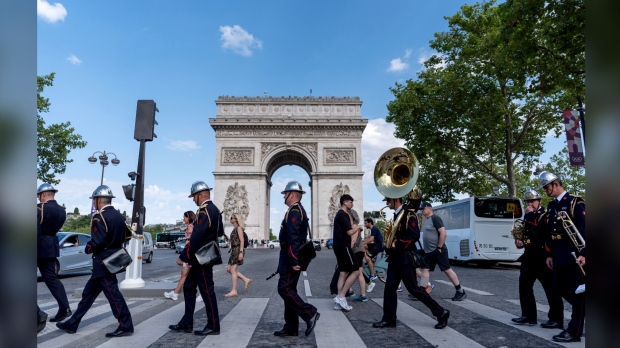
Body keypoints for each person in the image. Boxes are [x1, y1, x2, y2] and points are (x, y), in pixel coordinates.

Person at [56, 185, 134, 337]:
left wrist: (88, 247)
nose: (94, 203)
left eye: (94, 200)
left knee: (113, 295)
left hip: (103, 261)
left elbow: (97, 241)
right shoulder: (119, 216)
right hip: (112, 258)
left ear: (98, 200)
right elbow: (127, 236)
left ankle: (125, 325)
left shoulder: (100, 216)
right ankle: (72, 323)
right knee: (88, 294)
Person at [373, 194, 449, 330]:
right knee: (389, 289)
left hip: (405, 259)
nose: (388, 203)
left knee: (414, 290)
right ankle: (389, 319)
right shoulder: (398, 214)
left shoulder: (409, 214)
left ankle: (441, 312)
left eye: (389, 200)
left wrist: (397, 245)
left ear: (395, 199)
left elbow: (414, 235)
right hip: (395, 259)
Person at [169, 181, 224, 336]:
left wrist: (183, 256)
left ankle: (213, 325)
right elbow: (219, 231)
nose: (193, 199)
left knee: (207, 291)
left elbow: (197, 236)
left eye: (194, 196)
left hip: (201, 257)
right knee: (189, 286)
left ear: (200, 195)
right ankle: (187, 322)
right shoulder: (215, 210)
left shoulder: (204, 211)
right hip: (203, 256)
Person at [539, 171, 586, 343]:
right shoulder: (552, 206)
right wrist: (549, 254)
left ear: (556, 184)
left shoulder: (575, 202)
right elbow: (550, 234)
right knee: (559, 288)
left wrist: (585, 255)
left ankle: (574, 332)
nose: (545, 190)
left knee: (579, 295)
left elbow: (586, 230)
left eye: (546, 187)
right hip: (559, 256)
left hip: (575, 256)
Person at [511, 188, 564, 328]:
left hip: (543, 257)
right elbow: (525, 233)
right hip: (529, 257)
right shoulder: (528, 215)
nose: (529, 204)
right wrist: (519, 239)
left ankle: (556, 319)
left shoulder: (544, 215)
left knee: (551, 289)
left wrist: (529, 216)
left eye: (532, 201)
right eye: (527, 201)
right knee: (524, 286)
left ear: (539, 201)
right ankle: (528, 315)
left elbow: (539, 233)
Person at [274, 181, 320, 337]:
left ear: (291, 194)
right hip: (289, 255)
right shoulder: (297, 210)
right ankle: (291, 327)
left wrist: (293, 261)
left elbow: (293, 238)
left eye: (285, 194)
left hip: (290, 256)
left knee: (284, 289)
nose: (283, 197)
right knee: (290, 289)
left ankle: (310, 313)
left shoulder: (294, 211)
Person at [36, 183, 71, 323]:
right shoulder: (62, 210)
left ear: (43, 194)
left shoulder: (40, 208)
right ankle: (65, 307)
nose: (39, 199)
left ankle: (36, 313)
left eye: (39, 196)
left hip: (38, 245)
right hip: (51, 246)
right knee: (52, 279)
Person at [419, 202, 467, 301]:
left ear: (429, 208)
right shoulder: (428, 220)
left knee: (446, 269)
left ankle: (460, 291)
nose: (421, 211)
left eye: (423, 209)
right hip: (429, 252)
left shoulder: (435, 218)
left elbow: (443, 233)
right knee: (425, 269)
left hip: (438, 250)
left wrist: (439, 247)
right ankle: (421, 292)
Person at [332, 194, 363, 311]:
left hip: (338, 246)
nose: (352, 204)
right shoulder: (343, 214)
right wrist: (358, 227)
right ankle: (341, 296)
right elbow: (350, 232)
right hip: (344, 246)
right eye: (351, 202)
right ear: (345, 202)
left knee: (343, 273)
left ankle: (338, 302)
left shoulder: (339, 214)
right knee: (355, 271)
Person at [164, 211, 202, 303]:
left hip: (189, 254)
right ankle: (175, 293)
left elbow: (189, 242)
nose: (183, 219)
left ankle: (176, 293)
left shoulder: (190, 227)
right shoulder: (194, 225)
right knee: (186, 274)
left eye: (184, 217)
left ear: (188, 217)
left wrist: (183, 255)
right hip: (192, 254)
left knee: (187, 274)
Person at [224, 213, 252, 297]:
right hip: (234, 250)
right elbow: (235, 239)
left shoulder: (239, 228)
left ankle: (234, 290)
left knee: (233, 270)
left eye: (232, 217)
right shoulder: (234, 229)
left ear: (236, 219)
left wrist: (240, 252)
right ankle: (245, 279)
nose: (230, 219)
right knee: (229, 269)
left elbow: (242, 240)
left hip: (237, 251)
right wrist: (229, 239)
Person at [363, 218, 384, 284]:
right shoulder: (373, 229)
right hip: (376, 245)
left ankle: (372, 275)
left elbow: (371, 239)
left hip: (378, 246)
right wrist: (362, 242)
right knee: (365, 247)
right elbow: (369, 238)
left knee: (368, 258)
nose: (365, 224)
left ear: (370, 223)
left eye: (366, 223)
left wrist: (363, 243)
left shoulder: (374, 229)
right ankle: (370, 261)